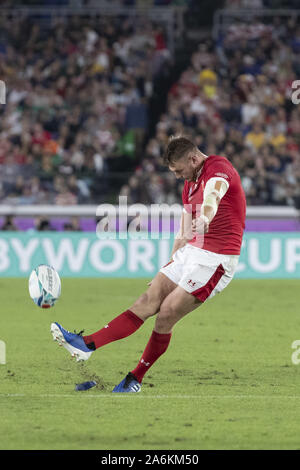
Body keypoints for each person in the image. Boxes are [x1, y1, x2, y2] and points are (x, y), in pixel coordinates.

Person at [51, 135, 246, 393]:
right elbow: (184, 231)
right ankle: (85, 345)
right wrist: (169, 266)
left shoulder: (218, 168)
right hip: (191, 253)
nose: (177, 176)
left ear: (193, 159)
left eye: (178, 170)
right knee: (146, 300)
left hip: (216, 260)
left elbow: (214, 195)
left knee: (165, 314)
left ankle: (135, 379)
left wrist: (208, 217)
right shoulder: (189, 184)